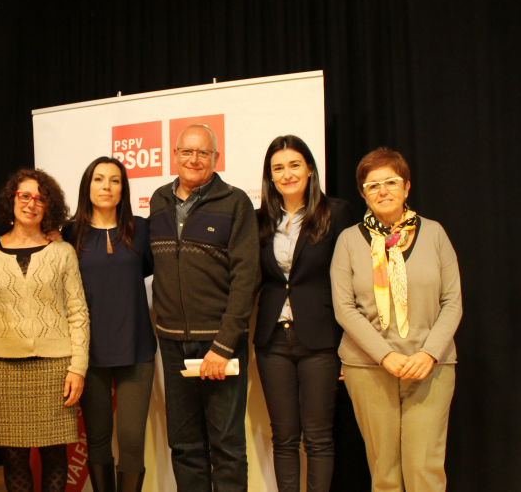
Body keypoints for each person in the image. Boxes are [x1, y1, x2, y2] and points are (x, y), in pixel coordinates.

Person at [330, 148, 462, 492]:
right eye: (372, 186)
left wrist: (428, 353)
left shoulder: (434, 234)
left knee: (424, 471)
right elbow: (344, 308)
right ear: (362, 193)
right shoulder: (347, 240)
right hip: (369, 369)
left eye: (390, 182)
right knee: (385, 474)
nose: (382, 191)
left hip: (429, 368)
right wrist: (384, 355)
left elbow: (452, 303)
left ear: (406, 187)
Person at [149, 124, 260, 492]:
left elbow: (246, 278)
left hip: (220, 345)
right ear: (175, 155)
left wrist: (224, 344)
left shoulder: (236, 202)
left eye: (203, 153)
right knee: (184, 447)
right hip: (172, 343)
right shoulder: (159, 199)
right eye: (187, 152)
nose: (194, 159)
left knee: (227, 446)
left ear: (216, 158)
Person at [254, 135, 354, 492]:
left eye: (294, 165)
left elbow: (351, 280)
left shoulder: (336, 212)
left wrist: (349, 345)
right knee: (283, 437)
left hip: (321, 338)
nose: (287, 174)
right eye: (278, 168)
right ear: (270, 176)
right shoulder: (259, 219)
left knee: (318, 437)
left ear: (310, 169)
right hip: (272, 340)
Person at [0, 168, 89, 492]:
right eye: (24, 196)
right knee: (14, 458)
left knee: (55, 455)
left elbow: (78, 312)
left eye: (40, 199)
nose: (31, 203)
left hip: (55, 366)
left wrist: (78, 367)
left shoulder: (62, 252)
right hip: (3, 366)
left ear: (49, 206)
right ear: (12, 199)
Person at [62, 157, 155, 492]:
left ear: (123, 188)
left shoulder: (141, 228)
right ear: (88, 186)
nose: (106, 186)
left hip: (137, 347)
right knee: (98, 438)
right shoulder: (69, 233)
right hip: (89, 352)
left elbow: (144, 269)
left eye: (114, 180)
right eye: (99, 179)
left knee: (131, 439)